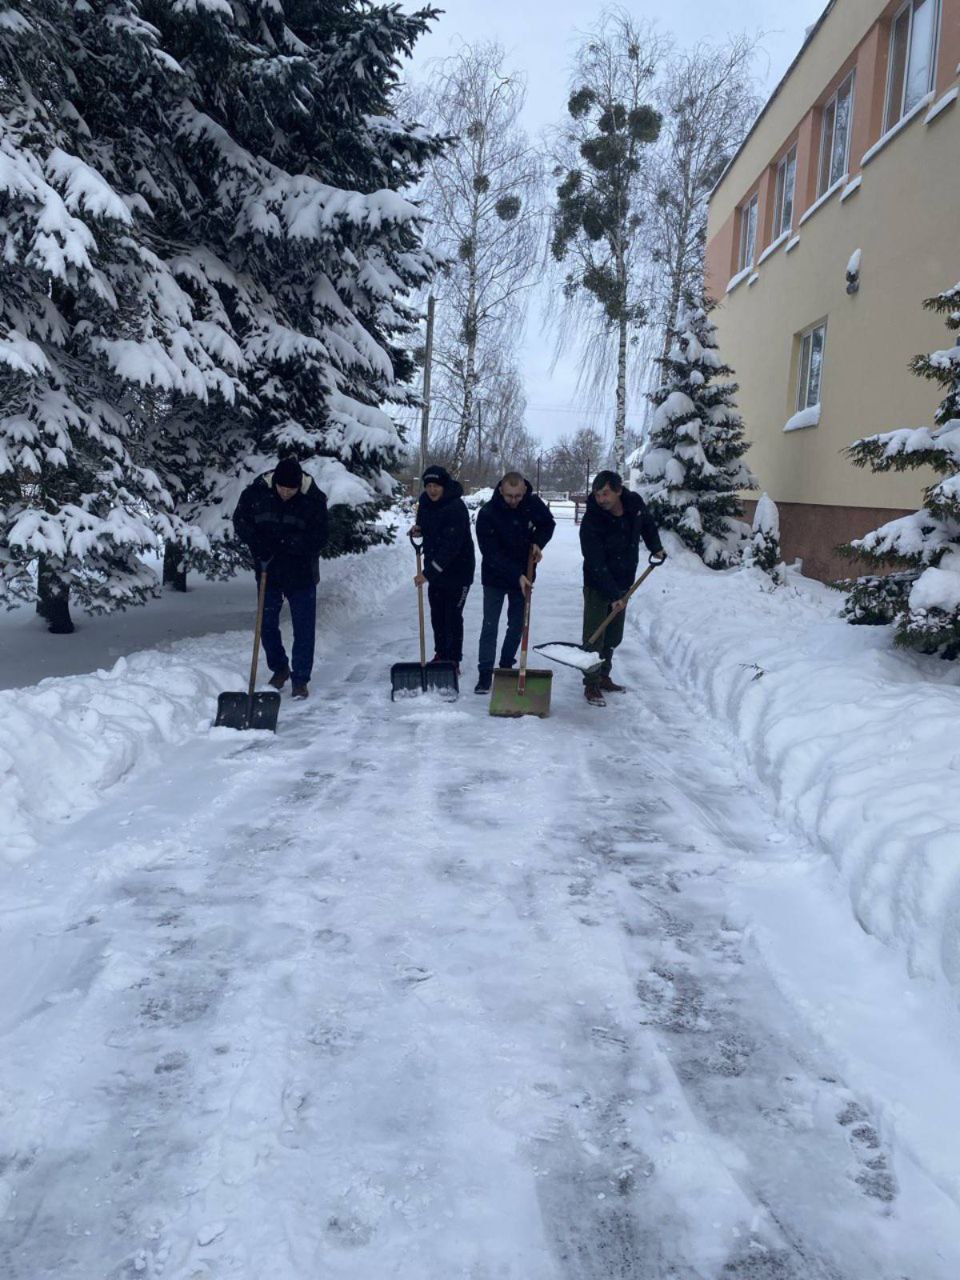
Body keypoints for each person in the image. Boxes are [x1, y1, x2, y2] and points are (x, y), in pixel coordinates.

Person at [233, 457, 328, 699]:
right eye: (281, 487)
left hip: (301, 571)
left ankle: (301, 678)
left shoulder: (313, 499)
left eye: (290, 489)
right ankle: (280, 668)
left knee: (303, 627)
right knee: (266, 624)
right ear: (274, 481)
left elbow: (321, 536)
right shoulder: (256, 493)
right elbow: (240, 521)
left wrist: (293, 543)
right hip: (269, 569)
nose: (285, 493)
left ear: (298, 485)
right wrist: (257, 543)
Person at [579, 469, 665, 707]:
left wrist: (656, 547)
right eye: (597, 495)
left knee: (613, 636)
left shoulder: (634, 504)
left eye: (605, 494)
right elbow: (594, 561)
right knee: (594, 636)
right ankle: (591, 683)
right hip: (597, 584)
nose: (601, 499)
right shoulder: (592, 519)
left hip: (624, 580)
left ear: (618, 491)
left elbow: (647, 524)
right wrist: (612, 594)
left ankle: (604, 675)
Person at [473, 471, 556, 694]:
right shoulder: (488, 513)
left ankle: (506, 666)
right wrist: (515, 575)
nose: (514, 500)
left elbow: (548, 524)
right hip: (495, 576)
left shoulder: (532, 503)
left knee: (518, 624)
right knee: (490, 625)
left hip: (525, 574)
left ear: (524, 490)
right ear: (501, 490)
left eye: (518, 496)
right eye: (509, 496)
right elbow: (491, 553)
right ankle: (484, 673)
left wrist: (538, 542)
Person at [410, 464, 475, 670]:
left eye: (436, 486)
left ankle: (453, 659)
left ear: (444, 486)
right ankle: (440, 654)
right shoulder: (425, 503)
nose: (432, 490)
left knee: (452, 616)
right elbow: (425, 526)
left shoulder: (456, 507)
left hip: (459, 570)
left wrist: (427, 573)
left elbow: (451, 546)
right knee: (437, 615)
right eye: (429, 486)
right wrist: (419, 530)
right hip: (436, 570)